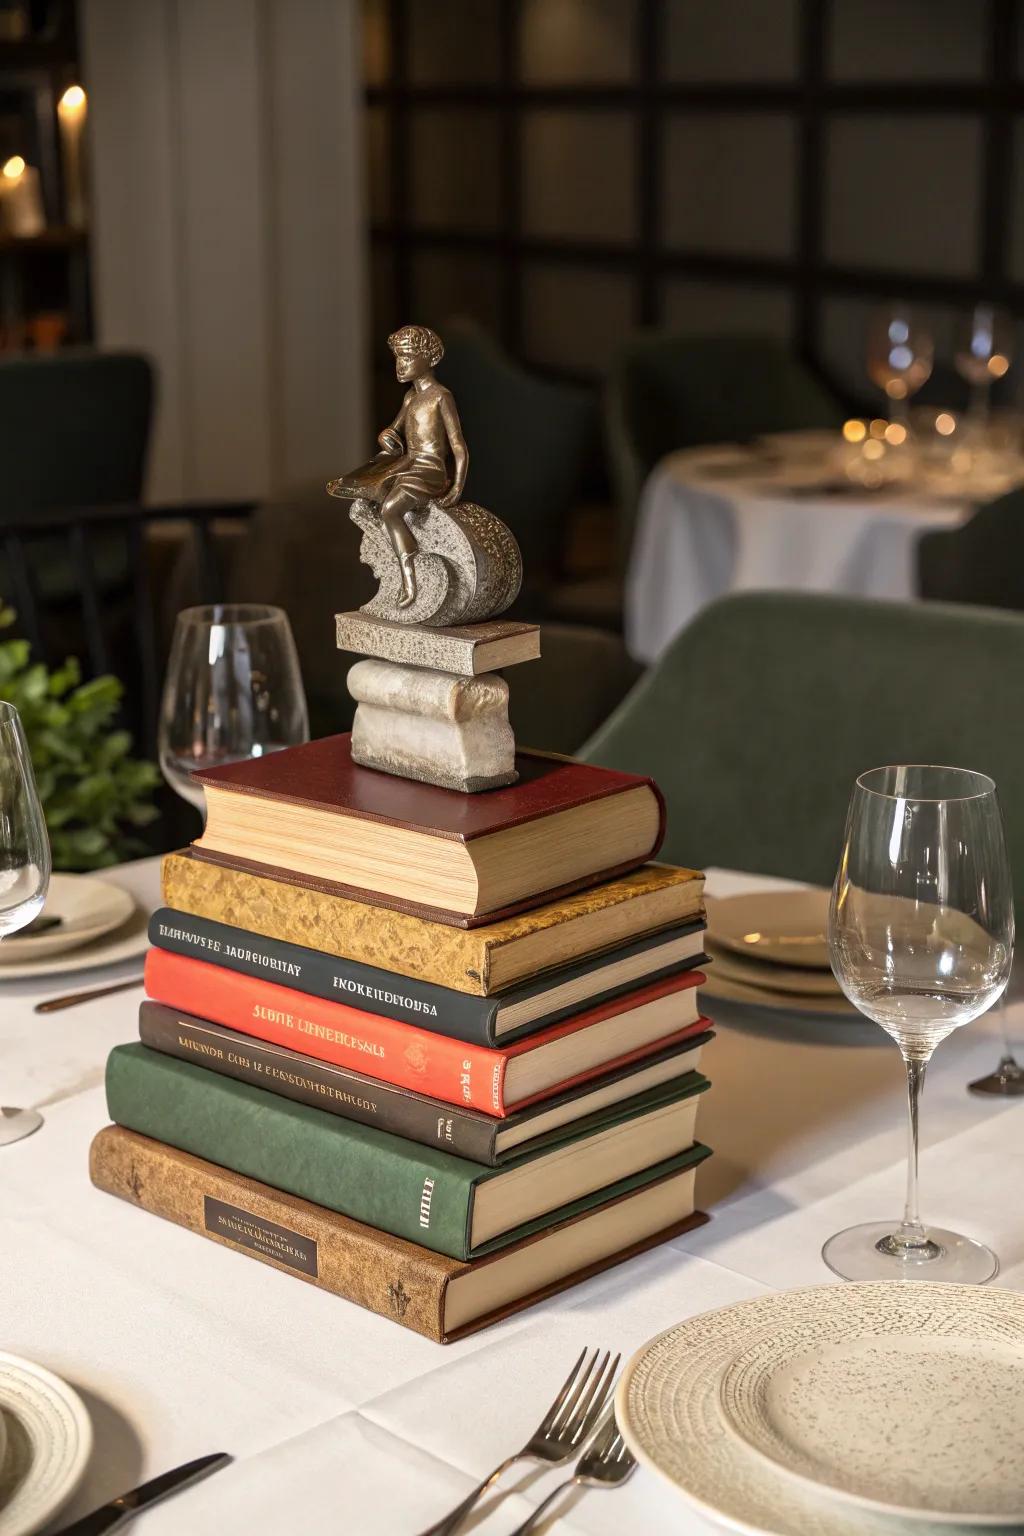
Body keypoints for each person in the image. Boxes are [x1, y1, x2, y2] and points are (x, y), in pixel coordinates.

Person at [327, 324, 468, 608]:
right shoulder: (410, 397)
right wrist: (387, 436)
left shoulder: (440, 396)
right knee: (366, 486)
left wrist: (456, 487)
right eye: (397, 358)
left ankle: (409, 578)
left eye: (407, 357)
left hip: (429, 470)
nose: (399, 365)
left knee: (390, 509)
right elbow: (394, 429)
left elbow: (458, 447)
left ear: (428, 358)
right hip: (407, 464)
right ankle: (393, 562)